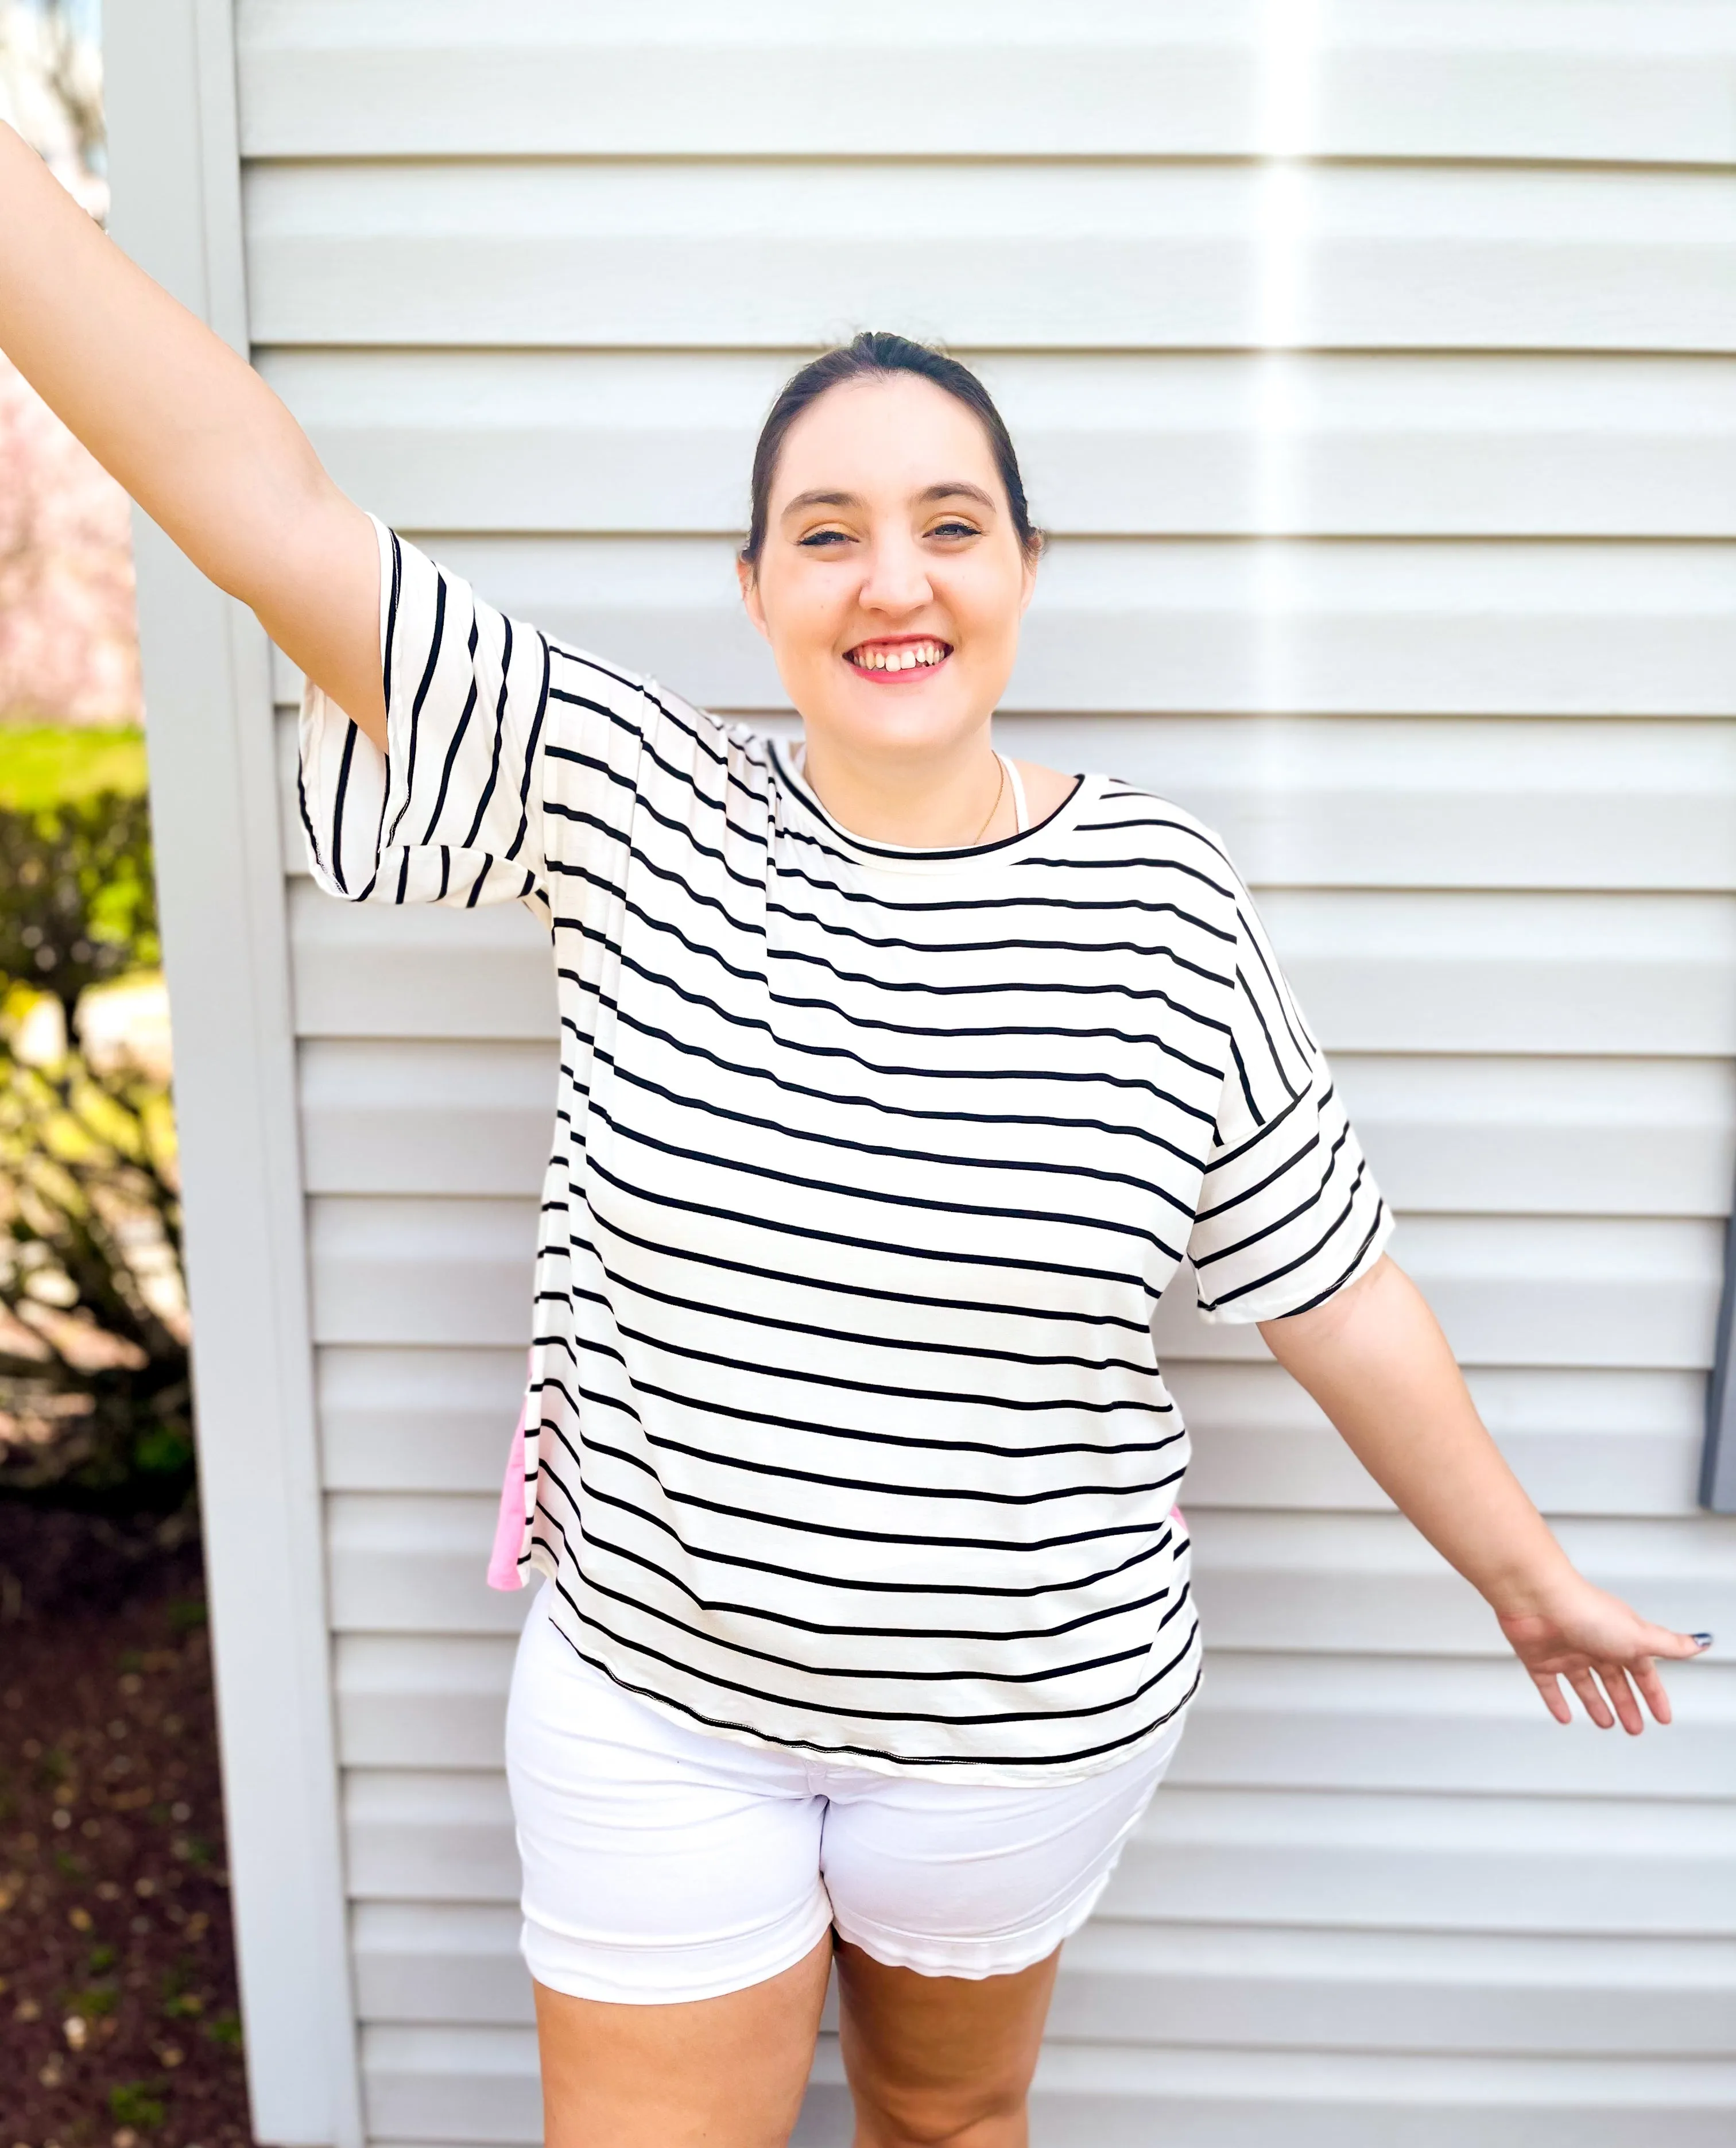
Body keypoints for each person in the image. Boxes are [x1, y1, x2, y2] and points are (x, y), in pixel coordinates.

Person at [0, 119, 1711, 2148]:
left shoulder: (1161, 905)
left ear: (1025, 570)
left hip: (1019, 1742)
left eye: (949, 522)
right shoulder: (632, 798)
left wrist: (1520, 1574)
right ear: (753, 589)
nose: (892, 576)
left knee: (943, 2130)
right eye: (826, 530)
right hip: (661, 1712)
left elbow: (1333, 1287)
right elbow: (263, 510)